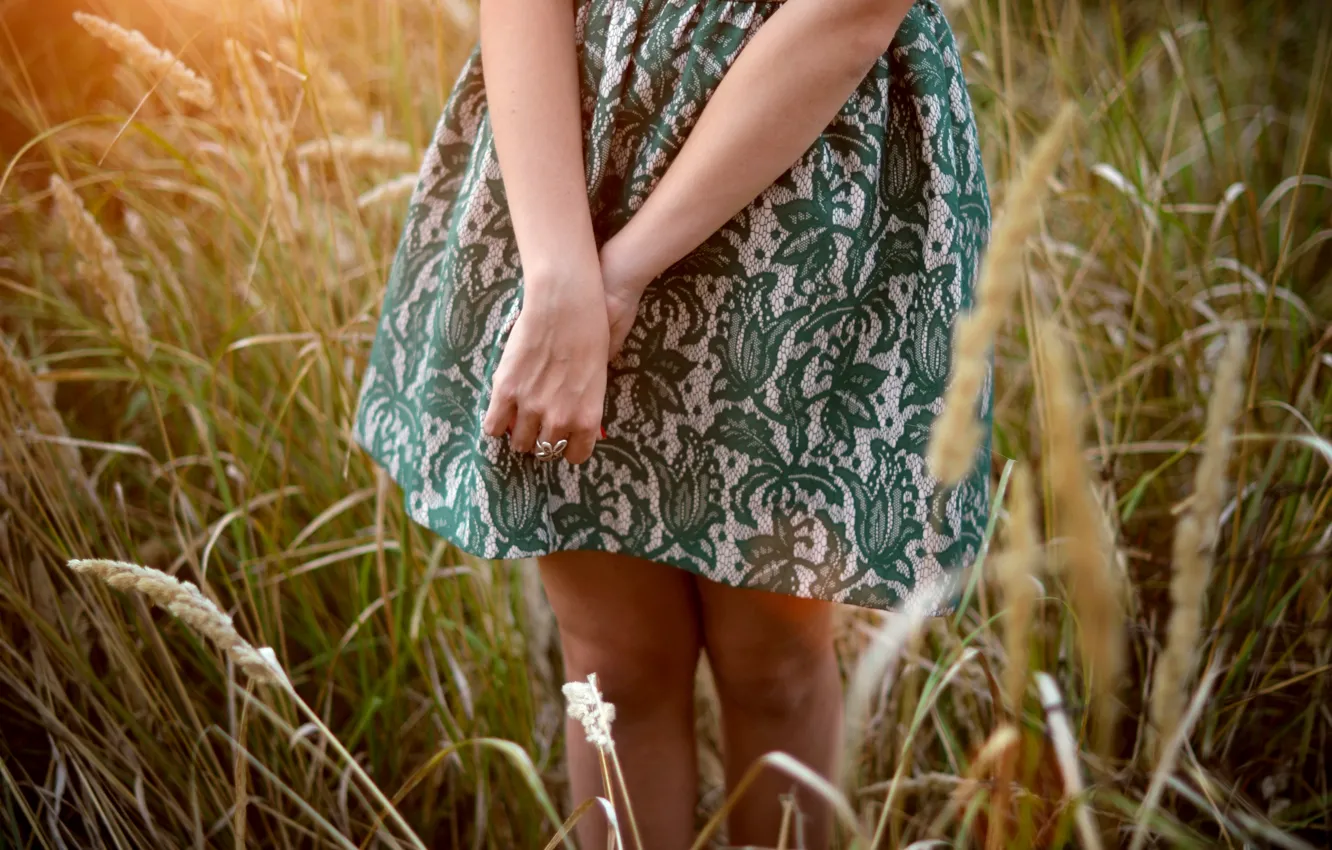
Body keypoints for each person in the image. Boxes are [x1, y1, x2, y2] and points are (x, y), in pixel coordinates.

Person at [353, 0, 992, 846]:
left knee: (775, 666)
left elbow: (852, 10)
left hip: (800, 183)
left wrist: (621, 276)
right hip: (570, 165)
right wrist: (558, 278)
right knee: (612, 662)